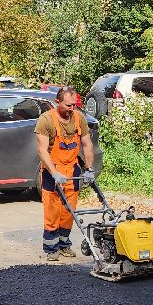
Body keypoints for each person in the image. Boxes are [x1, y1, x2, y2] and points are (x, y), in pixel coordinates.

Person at [35, 86, 95, 261]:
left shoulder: (79, 118)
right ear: (58, 102)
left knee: (69, 210)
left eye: (74, 105)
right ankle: (51, 248)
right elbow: (42, 151)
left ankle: (64, 244)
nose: (72, 109)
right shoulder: (46, 120)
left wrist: (89, 169)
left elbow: (87, 144)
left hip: (72, 169)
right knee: (52, 211)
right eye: (68, 105)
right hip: (52, 170)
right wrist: (54, 173)